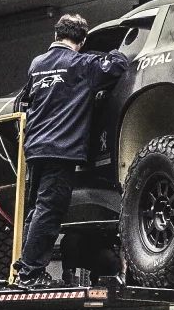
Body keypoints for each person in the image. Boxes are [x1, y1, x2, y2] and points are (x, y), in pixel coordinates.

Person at [17, 15, 128, 288]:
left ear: (56, 35)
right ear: (83, 40)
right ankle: (30, 275)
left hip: (35, 148)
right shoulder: (82, 64)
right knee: (49, 210)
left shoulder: (37, 64)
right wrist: (117, 46)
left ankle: (24, 268)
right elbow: (118, 65)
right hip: (61, 148)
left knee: (35, 211)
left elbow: (26, 99)